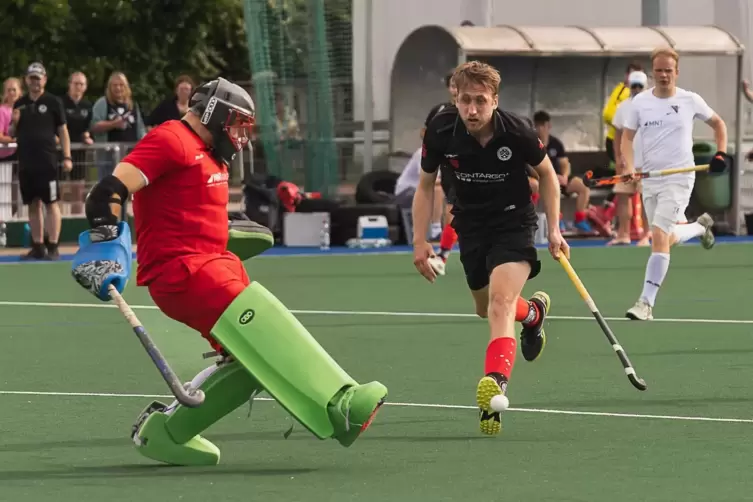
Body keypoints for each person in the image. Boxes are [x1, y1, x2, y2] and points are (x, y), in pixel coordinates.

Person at [70, 77, 387, 466]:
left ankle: (167, 433)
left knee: (252, 364)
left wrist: (227, 230)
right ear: (214, 113)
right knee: (265, 322)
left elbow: (189, 209)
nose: (240, 137)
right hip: (184, 272)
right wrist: (104, 240)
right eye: (237, 124)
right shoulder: (171, 139)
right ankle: (343, 401)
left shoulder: (208, 153)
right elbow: (110, 190)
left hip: (216, 266)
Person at [413, 61, 569, 436]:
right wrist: (420, 240)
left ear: (494, 100)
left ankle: (495, 386)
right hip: (470, 224)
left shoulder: (517, 131)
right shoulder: (440, 130)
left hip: (514, 223)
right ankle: (532, 313)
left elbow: (547, 174)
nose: (472, 109)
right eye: (465, 100)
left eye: (480, 101)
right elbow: (424, 185)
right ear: (456, 97)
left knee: (500, 302)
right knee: (485, 308)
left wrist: (555, 229)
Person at [621, 48, 728, 321]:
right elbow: (627, 139)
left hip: (680, 178)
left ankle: (646, 303)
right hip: (650, 179)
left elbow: (719, 125)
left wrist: (720, 154)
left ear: (676, 72)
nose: (664, 75)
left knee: (657, 234)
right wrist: (631, 168)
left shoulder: (689, 100)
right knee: (665, 238)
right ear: (652, 72)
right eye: (659, 70)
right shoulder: (640, 103)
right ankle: (699, 226)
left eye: (669, 70)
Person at [12, 62, 72, 260]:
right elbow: (12, 133)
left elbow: (63, 131)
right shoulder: (19, 104)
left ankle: (53, 245)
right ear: (27, 80)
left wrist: (67, 156)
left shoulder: (53, 102)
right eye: (32, 78)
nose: (35, 82)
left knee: (51, 203)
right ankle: (37, 245)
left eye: (38, 78)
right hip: (26, 162)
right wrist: (15, 122)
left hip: (47, 162)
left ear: (44, 79)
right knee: (32, 204)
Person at [532, 110, 593, 233]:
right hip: (543, 180)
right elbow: (530, 167)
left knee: (583, 186)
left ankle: (580, 219)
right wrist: (549, 178)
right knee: (545, 186)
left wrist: (564, 176)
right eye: (537, 125)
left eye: (543, 125)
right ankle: (556, 221)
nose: (540, 129)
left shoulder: (556, 143)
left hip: (559, 179)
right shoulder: (532, 144)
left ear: (548, 126)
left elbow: (565, 163)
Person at [610, 70, 650, 246]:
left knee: (647, 198)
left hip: (647, 161)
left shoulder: (653, 106)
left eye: (640, 86)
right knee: (623, 196)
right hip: (628, 162)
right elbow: (617, 134)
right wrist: (619, 157)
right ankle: (623, 234)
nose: (637, 89)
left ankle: (647, 236)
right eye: (634, 86)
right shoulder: (623, 107)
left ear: (645, 87)